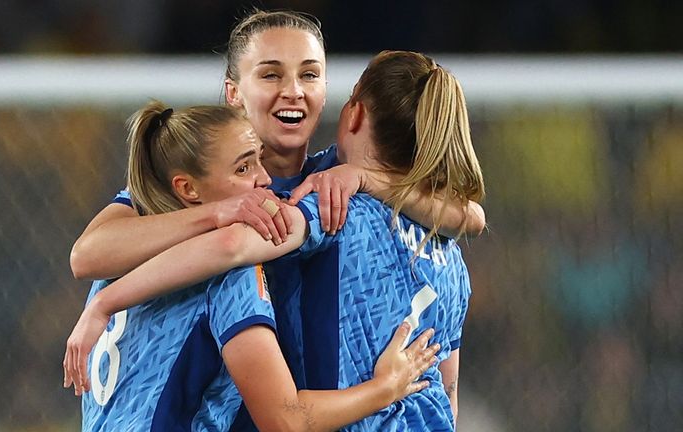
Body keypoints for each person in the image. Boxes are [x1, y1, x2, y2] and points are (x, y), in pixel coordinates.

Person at [67, 8, 484, 398]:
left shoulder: (330, 183)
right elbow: (87, 257)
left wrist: (367, 178)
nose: (293, 91)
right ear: (233, 93)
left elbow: (468, 215)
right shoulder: (195, 180)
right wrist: (216, 213)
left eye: (310, 75)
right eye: (270, 75)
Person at [64, 101, 440, 431]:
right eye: (244, 168)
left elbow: (468, 214)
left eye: (258, 159)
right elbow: (287, 419)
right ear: (187, 189)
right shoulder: (229, 273)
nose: (263, 178)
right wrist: (386, 388)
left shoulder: (129, 250)